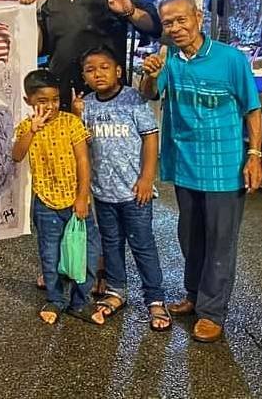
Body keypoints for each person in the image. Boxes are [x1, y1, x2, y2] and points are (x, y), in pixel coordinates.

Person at [140, 0, 262, 343]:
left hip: (224, 168)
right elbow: (149, 93)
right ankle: (194, 295)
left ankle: (213, 312)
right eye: (168, 23)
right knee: (190, 235)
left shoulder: (230, 60)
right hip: (184, 166)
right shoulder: (170, 60)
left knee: (220, 241)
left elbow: (252, 109)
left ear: (198, 17)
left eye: (181, 20)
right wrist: (150, 74)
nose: (176, 28)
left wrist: (254, 155)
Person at [73, 47, 169, 331]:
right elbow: (85, 147)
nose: (98, 73)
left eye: (104, 67)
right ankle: (117, 291)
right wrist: (78, 117)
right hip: (103, 193)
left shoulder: (133, 99)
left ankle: (155, 299)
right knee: (111, 244)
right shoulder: (86, 104)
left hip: (134, 193)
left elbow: (151, 139)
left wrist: (146, 179)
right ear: (84, 77)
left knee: (143, 245)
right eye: (90, 70)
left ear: (118, 71)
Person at [21, 0, 161, 110]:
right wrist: (29, 14)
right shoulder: (52, 2)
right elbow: (42, 48)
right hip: (65, 97)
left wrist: (129, 10)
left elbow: (154, 26)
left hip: (107, 98)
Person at [11, 69, 98, 324]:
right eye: (42, 101)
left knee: (87, 254)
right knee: (50, 255)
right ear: (29, 101)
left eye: (55, 99)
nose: (50, 106)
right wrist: (32, 131)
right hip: (46, 204)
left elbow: (83, 160)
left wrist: (82, 198)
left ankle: (81, 302)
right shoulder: (27, 127)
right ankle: (55, 299)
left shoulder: (71, 122)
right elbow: (16, 155)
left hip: (76, 201)